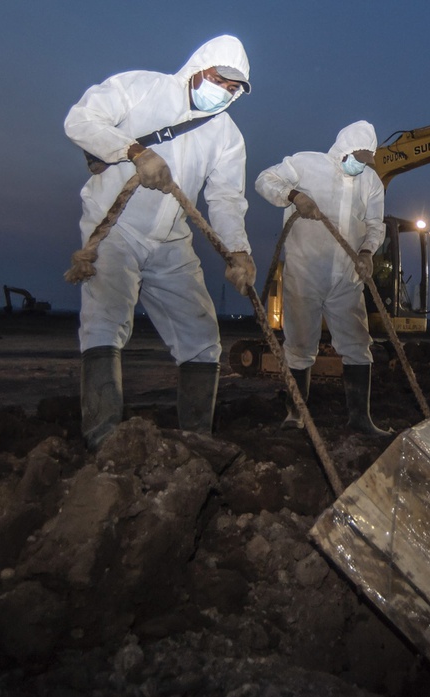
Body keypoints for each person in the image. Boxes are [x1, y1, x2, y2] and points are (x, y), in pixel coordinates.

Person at [65, 35, 256, 451]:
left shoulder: (227, 136)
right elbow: (80, 120)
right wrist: (132, 150)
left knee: (202, 335)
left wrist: (238, 251)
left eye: (233, 88)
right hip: (117, 228)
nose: (224, 92)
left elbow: (225, 199)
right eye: (220, 80)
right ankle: (104, 441)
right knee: (106, 319)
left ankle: (196, 442)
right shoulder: (140, 88)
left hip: (171, 237)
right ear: (200, 67)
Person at [255, 121, 390, 435]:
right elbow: (265, 180)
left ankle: (360, 419)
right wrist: (292, 195)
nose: (361, 164)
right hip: (305, 273)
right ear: (343, 150)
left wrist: (368, 252)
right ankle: (295, 416)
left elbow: (375, 224)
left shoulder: (371, 182)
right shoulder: (306, 164)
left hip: (347, 276)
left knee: (357, 344)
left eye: (366, 159)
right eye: (357, 157)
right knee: (300, 345)